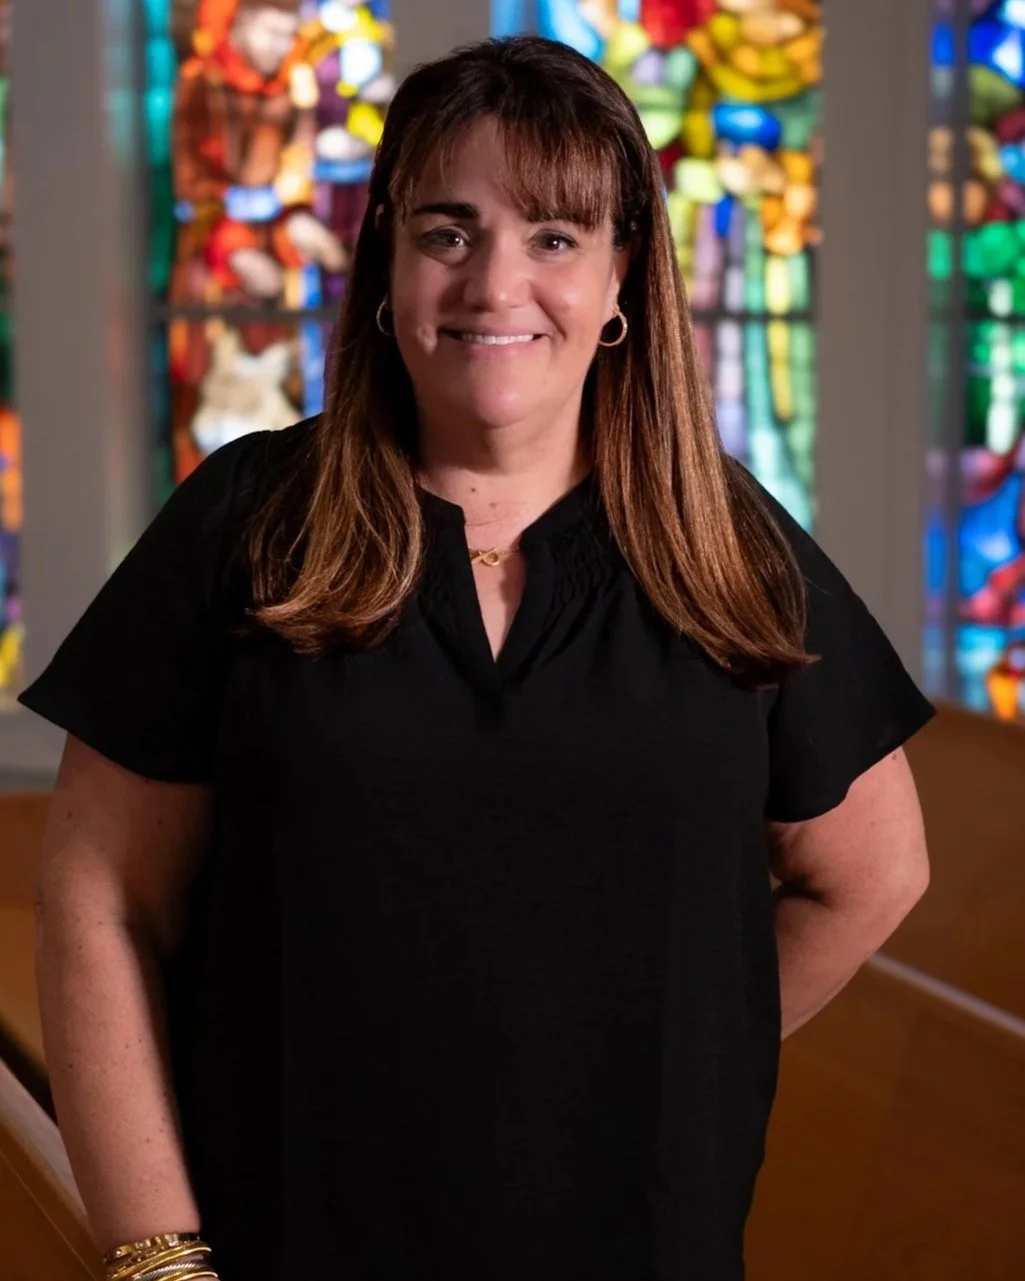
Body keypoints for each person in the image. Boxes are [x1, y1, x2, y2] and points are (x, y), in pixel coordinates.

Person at [20, 34, 934, 1281]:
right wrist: (156, 1261)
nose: (495, 284)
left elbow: (872, 872)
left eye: (553, 237)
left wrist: (665, 1072)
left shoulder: (722, 544)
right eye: (447, 232)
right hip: (288, 1244)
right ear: (387, 266)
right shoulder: (248, 520)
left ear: (620, 276)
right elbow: (98, 898)